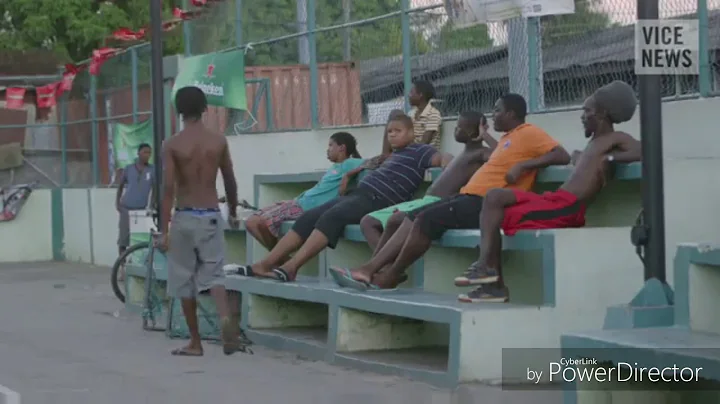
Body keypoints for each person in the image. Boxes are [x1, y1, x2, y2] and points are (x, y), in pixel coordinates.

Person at [330, 94, 570, 290]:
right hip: (467, 197)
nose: (493, 115)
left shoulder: (529, 132)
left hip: (483, 202)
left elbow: (561, 154)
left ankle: (386, 274)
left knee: (423, 218)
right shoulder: (509, 138)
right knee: (413, 216)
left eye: (497, 110)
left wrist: (524, 166)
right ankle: (373, 269)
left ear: (511, 113)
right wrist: (486, 135)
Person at [456, 80, 640, 303]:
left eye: (587, 110)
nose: (582, 116)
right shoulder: (594, 143)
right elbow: (582, 161)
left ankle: (491, 279)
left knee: (496, 209)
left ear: (602, 113)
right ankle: (489, 274)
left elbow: (643, 150)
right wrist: (581, 157)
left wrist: (609, 158)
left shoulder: (614, 138)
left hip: (568, 208)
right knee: (494, 196)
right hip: (555, 200)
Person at [234, 114, 451, 282]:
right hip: (360, 194)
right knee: (309, 217)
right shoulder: (393, 155)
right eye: (389, 131)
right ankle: (266, 264)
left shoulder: (420, 150)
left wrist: (446, 166)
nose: (392, 135)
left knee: (332, 217)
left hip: (379, 200)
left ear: (412, 133)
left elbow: (444, 157)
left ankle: (291, 268)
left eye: (398, 131)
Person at [157, 86, 245, 356]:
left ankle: (195, 342)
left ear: (179, 111)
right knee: (215, 275)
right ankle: (226, 319)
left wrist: (164, 229)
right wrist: (232, 211)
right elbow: (230, 180)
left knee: (184, 281)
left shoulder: (172, 144)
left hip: (184, 216)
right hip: (210, 215)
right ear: (205, 108)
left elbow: (168, 188)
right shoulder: (218, 141)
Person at [359, 111, 493, 251]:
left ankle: (380, 269)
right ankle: (378, 268)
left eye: (460, 127)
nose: (455, 130)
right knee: (369, 221)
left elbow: (502, 156)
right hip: (425, 200)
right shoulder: (465, 152)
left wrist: (485, 135)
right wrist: (445, 161)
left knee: (385, 221)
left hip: (437, 202)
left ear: (475, 131)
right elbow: (445, 157)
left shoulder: (482, 152)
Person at [242, 132, 364, 250]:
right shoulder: (335, 167)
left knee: (256, 223)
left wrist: (348, 175)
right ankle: (279, 261)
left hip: (305, 207)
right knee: (251, 221)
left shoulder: (348, 163)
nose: (328, 149)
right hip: (297, 202)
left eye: (331, 145)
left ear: (342, 148)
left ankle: (278, 261)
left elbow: (373, 161)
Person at [115, 143, 154, 279]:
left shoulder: (152, 170)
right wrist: (117, 203)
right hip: (126, 208)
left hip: (142, 211)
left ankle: (139, 266)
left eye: (149, 153)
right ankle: (122, 268)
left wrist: (151, 206)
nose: (147, 155)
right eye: (144, 152)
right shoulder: (129, 169)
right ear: (138, 153)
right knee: (123, 240)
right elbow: (120, 186)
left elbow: (155, 190)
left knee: (142, 240)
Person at [409, 81, 443, 149]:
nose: (409, 95)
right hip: (412, 151)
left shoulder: (433, 114)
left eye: (411, 92)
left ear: (420, 95)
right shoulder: (411, 113)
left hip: (426, 154)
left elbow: (424, 143)